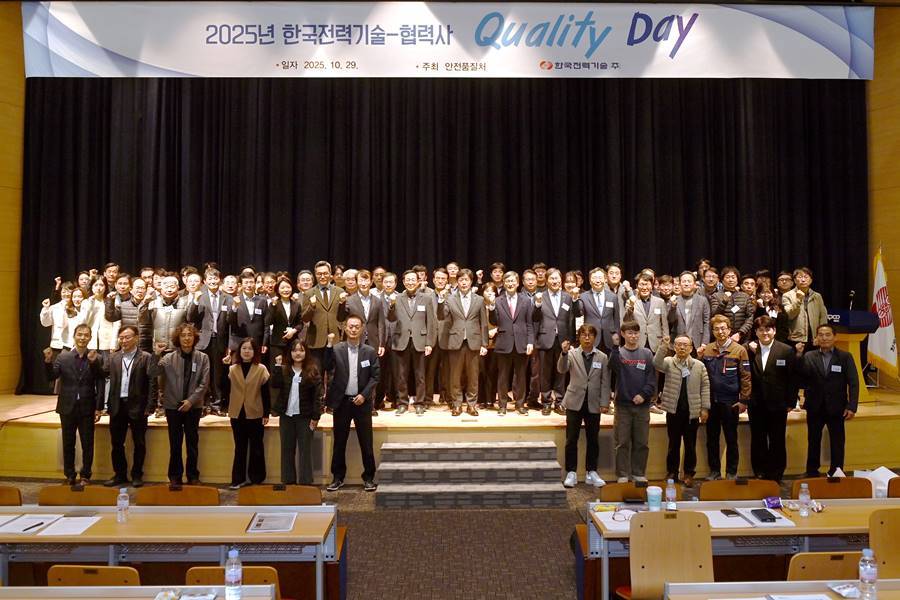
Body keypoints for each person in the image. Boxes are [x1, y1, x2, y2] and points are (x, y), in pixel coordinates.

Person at [43, 323, 105, 485]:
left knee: (87, 443)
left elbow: (100, 381)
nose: (82, 338)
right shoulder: (63, 357)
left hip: (87, 407)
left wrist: (99, 407)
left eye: (86, 335)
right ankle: (69, 474)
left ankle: (86, 475)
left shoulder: (96, 357)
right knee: (68, 442)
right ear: (74, 336)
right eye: (79, 334)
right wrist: (48, 361)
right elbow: (51, 377)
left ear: (90, 338)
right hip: (67, 406)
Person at [325, 317, 381, 492]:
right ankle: (337, 477)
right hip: (342, 402)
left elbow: (375, 376)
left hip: (362, 403)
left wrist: (364, 395)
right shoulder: (337, 349)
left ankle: (369, 478)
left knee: (366, 442)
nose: (354, 329)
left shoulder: (369, 351)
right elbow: (326, 366)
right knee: (339, 442)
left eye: (357, 327)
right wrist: (328, 346)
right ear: (345, 328)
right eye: (351, 327)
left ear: (362, 329)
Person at [151, 322, 210, 485]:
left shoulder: (203, 358)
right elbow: (153, 373)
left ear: (195, 338)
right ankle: (175, 476)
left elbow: (204, 384)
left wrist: (191, 401)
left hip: (193, 406)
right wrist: (156, 355)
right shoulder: (168, 358)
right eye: (183, 335)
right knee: (175, 444)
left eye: (189, 335)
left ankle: (193, 476)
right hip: (173, 406)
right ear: (178, 338)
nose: (186, 338)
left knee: (192, 443)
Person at [800, 324, 859, 477]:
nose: (824, 338)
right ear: (816, 338)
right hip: (815, 406)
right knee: (813, 440)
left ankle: (836, 472)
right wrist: (799, 356)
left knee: (837, 442)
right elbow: (801, 378)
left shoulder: (845, 357)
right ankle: (812, 471)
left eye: (827, 335)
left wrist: (852, 406)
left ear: (835, 337)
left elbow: (853, 382)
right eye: (821, 335)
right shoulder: (809, 356)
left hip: (837, 407)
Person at [745, 316, 799, 482]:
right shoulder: (749, 349)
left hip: (778, 404)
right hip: (756, 403)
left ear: (774, 331)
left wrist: (791, 402)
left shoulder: (786, 350)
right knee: (758, 439)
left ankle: (776, 474)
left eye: (768, 329)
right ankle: (759, 472)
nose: (765, 333)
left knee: (777, 440)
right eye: (761, 330)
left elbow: (793, 378)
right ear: (756, 332)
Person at [557, 325, 611, 488]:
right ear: (579, 337)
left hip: (594, 402)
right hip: (574, 401)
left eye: (590, 335)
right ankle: (571, 472)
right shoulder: (571, 354)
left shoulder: (602, 357)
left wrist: (604, 402)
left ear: (595, 337)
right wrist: (563, 353)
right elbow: (561, 369)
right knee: (571, 439)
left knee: (593, 439)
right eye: (583, 335)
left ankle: (591, 471)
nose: (587, 338)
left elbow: (605, 382)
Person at [653, 333, 710, 486]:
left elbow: (705, 387)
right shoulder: (668, 362)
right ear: (675, 347)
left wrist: (705, 408)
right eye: (679, 344)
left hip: (692, 412)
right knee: (673, 444)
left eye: (685, 345)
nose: (682, 347)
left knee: (690, 445)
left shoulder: (699, 365)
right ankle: (672, 472)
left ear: (691, 348)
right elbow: (656, 364)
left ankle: (689, 473)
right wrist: (663, 346)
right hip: (673, 411)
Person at [701, 315, 752, 480]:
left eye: (723, 328)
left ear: (729, 330)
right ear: (713, 331)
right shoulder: (707, 350)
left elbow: (746, 377)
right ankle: (714, 471)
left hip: (730, 402)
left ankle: (731, 472)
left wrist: (744, 400)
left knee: (731, 438)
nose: (720, 332)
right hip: (711, 401)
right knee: (712, 439)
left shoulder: (739, 350)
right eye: (716, 329)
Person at [103, 325, 154, 487]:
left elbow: (152, 383)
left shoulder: (145, 357)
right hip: (117, 405)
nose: (123, 340)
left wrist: (150, 406)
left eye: (127, 337)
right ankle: (119, 474)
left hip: (138, 406)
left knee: (139, 443)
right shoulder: (113, 357)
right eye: (121, 338)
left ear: (136, 338)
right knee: (117, 444)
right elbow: (102, 373)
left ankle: (137, 475)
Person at [608, 320, 656, 483]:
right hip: (623, 406)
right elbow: (613, 366)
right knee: (622, 442)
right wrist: (615, 347)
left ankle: (638, 472)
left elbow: (651, 379)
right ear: (623, 334)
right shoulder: (619, 353)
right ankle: (622, 474)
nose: (633, 336)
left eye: (636, 333)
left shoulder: (646, 354)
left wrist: (643, 394)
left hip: (642, 406)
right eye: (630, 333)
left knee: (641, 442)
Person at [437, 268, 489, 416]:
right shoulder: (450, 299)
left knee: (473, 376)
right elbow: (441, 316)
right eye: (461, 280)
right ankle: (457, 404)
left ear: (471, 281)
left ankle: (471, 405)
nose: (464, 283)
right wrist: (440, 300)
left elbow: (484, 323)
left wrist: (484, 344)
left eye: (466, 280)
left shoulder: (479, 299)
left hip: (474, 341)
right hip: (455, 341)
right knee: (455, 376)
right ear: (457, 282)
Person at [271, 339, 322, 485]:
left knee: (305, 451)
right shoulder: (284, 369)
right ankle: (288, 482)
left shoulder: (312, 370)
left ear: (306, 352)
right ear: (290, 353)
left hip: (305, 417)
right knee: (287, 450)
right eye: (294, 350)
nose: (297, 353)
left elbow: (317, 396)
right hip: (286, 416)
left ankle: (305, 483)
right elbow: (275, 384)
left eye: (301, 350)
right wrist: (277, 366)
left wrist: (315, 417)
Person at [221, 338, 270, 489]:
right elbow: (224, 387)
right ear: (239, 351)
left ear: (255, 352)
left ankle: (257, 478)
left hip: (255, 412)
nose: (246, 351)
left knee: (256, 447)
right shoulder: (232, 369)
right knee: (240, 447)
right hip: (237, 413)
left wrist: (266, 413)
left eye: (250, 349)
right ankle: (238, 479)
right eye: (244, 348)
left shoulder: (261, 369)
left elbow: (266, 393)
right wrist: (224, 367)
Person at [387, 270, 436, 415]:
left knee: (420, 375)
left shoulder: (426, 298)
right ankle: (402, 403)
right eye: (407, 280)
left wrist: (429, 343)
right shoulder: (397, 298)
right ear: (403, 282)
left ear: (418, 281)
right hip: (401, 340)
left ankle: (419, 403)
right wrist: (391, 306)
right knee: (401, 375)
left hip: (420, 340)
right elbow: (391, 319)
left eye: (413, 279)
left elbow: (431, 322)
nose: (410, 282)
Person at [487, 271, 535, 415]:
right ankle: (502, 405)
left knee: (521, 376)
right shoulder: (498, 300)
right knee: (503, 376)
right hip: (503, 342)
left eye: (513, 281)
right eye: (507, 281)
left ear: (518, 283)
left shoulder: (525, 300)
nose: (510, 284)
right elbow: (494, 321)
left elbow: (529, 323)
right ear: (503, 283)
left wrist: (530, 342)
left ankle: (520, 404)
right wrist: (491, 308)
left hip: (521, 343)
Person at [532, 268, 578, 415]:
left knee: (561, 372)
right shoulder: (540, 296)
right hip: (545, 339)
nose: (555, 281)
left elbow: (572, 319)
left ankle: (560, 402)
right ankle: (546, 402)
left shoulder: (568, 297)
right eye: (551, 278)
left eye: (557, 278)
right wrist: (537, 304)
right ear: (546, 281)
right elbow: (535, 318)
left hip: (563, 340)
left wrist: (571, 340)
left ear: (561, 280)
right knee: (545, 374)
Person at [187, 267, 232, 414]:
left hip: (219, 341)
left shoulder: (227, 298)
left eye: (215, 278)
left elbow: (231, 323)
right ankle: (201, 405)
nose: (213, 281)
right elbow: (190, 317)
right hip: (202, 341)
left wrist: (229, 345)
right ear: (205, 281)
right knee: (201, 374)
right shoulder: (200, 295)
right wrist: (195, 301)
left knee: (217, 375)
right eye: (210, 279)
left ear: (220, 280)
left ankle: (216, 405)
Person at [302, 261, 345, 365]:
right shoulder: (309, 293)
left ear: (330, 274)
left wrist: (342, 303)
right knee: (316, 373)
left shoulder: (340, 292)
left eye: (325, 273)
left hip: (335, 338)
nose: (322, 276)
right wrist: (312, 306)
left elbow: (342, 317)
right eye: (319, 274)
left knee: (334, 372)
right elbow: (305, 318)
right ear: (315, 275)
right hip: (316, 340)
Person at [782, 267, 828, 354]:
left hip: (814, 339)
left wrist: (820, 336)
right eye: (800, 277)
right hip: (796, 339)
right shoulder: (787, 295)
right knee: (797, 361)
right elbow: (790, 315)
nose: (803, 280)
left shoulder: (817, 296)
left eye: (806, 277)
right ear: (794, 280)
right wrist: (798, 300)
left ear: (811, 280)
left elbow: (823, 317)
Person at [623, 273, 669, 353]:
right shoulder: (631, 301)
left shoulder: (660, 302)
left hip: (656, 342)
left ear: (651, 286)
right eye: (642, 284)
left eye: (647, 284)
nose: (644, 288)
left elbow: (664, 324)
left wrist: (665, 342)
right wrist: (631, 308)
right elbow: (626, 321)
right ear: (637, 286)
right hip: (638, 341)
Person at [228, 268, 270, 354]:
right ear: (240, 285)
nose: (249, 285)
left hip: (257, 342)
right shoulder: (234, 300)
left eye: (251, 282)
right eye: (246, 282)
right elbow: (230, 321)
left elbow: (266, 324)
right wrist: (234, 307)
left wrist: (264, 343)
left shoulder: (262, 300)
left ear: (255, 284)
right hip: (239, 342)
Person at [710, 266, 755, 344]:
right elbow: (714, 315)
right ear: (722, 280)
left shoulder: (745, 296)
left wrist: (740, 333)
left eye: (733, 277)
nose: (730, 280)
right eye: (727, 277)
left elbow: (750, 317)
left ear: (737, 280)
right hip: (722, 336)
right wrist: (724, 301)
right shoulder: (716, 296)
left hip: (743, 337)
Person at [672, 271, 710, 352]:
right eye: (684, 281)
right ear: (680, 284)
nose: (686, 284)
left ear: (695, 284)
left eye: (689, 281)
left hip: (697, 342)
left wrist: (704, 342)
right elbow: (670, 320)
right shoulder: (674, 300)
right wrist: (673, 307)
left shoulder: (702, 300)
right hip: (679, 342)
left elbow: (706, 322)